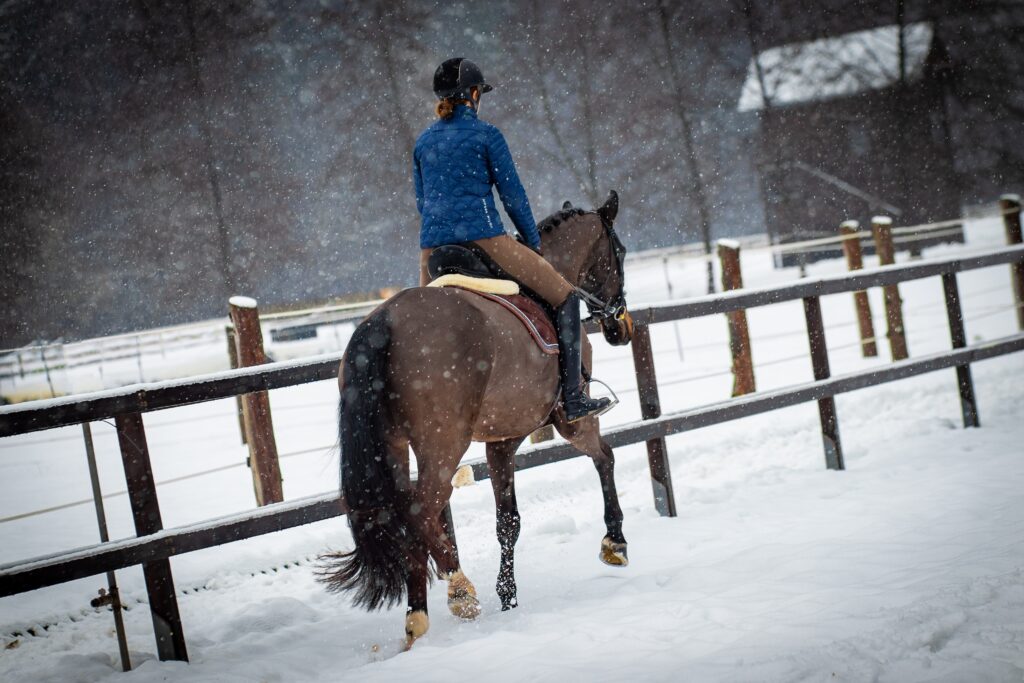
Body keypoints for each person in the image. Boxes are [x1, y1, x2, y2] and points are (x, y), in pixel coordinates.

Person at [413, 57, 612, 423]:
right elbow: (513, 197)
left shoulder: (423, 142)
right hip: (483, 238)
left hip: (433, 249)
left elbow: (422, 202)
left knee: (419, 321)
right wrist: (533, 245)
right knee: (566, 296)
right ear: (473, 95)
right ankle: (573, 398)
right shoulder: (487, 135)